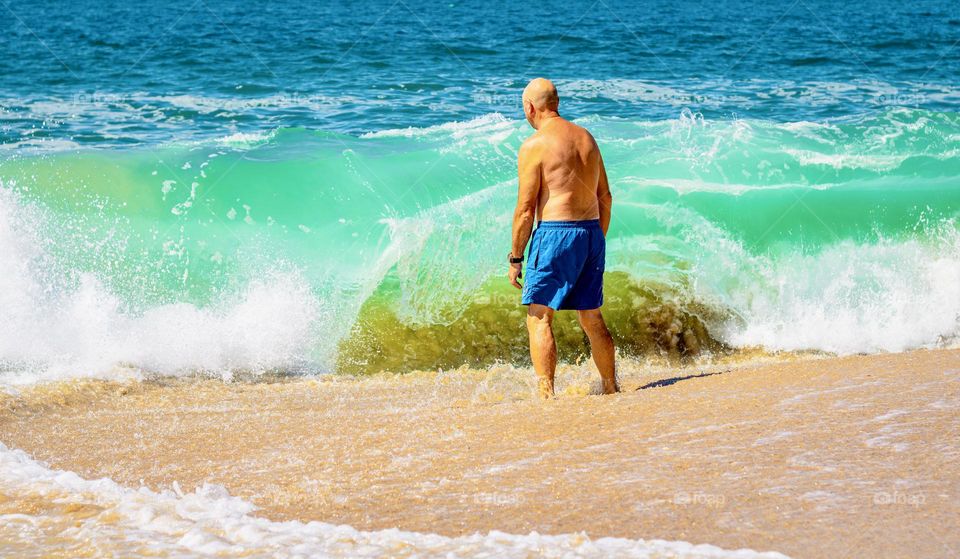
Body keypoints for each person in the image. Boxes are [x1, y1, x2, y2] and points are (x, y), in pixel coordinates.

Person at [508, 77, 619, 399]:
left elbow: (526, 210)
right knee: (592, 315)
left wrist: (516, 258)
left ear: (530, 107)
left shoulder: (535, 145)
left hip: (555, 233)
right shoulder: (586, 138)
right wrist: (595, 241)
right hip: (590, 232)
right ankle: (610, 387)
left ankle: (546, 394)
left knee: (539, 316)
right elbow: (606, 197)